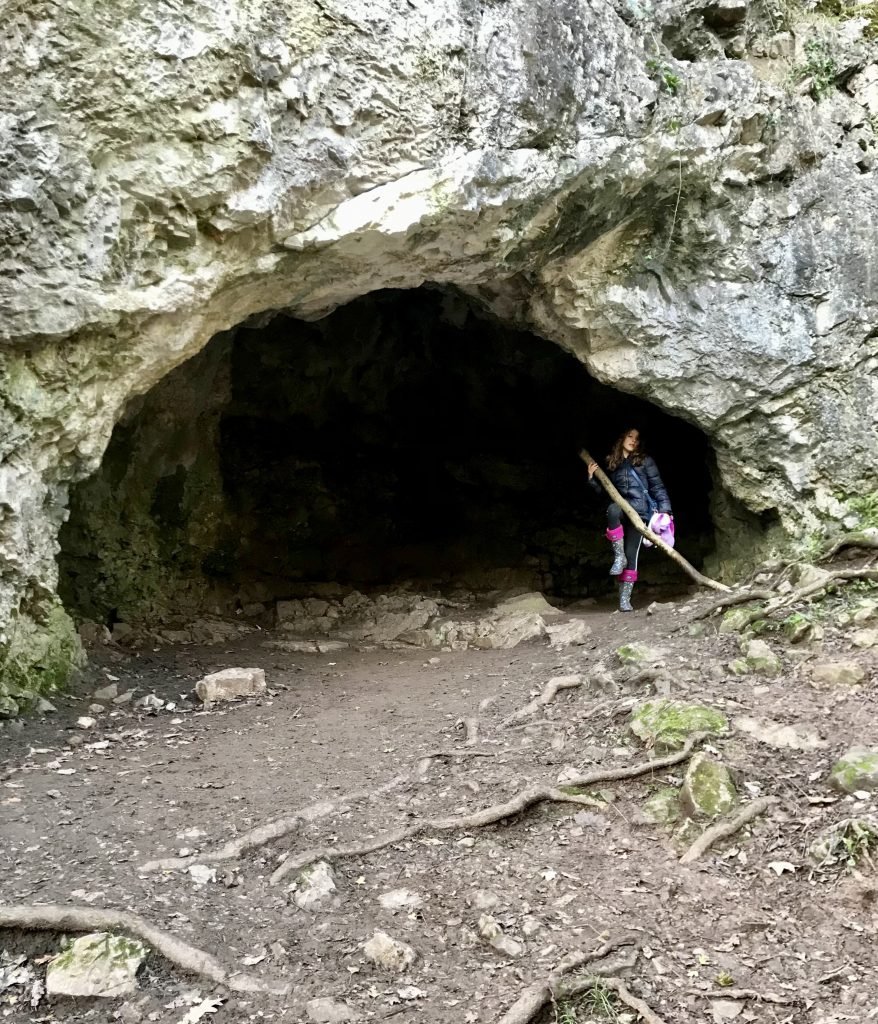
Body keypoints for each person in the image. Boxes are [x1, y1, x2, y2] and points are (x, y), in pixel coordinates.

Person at [586, 428, 673, 612]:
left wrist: (666, 510)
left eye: (637, 438)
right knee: (612, 510)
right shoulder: (613, 463)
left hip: (639, 512)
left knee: (632, 553)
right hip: (621, 507)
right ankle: (619, 557)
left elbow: (658, 487)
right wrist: (592, 479)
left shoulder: (645, 461)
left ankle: (624, 600)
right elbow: (606, 493)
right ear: (622, 438)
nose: (633, 440)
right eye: (630, 436)